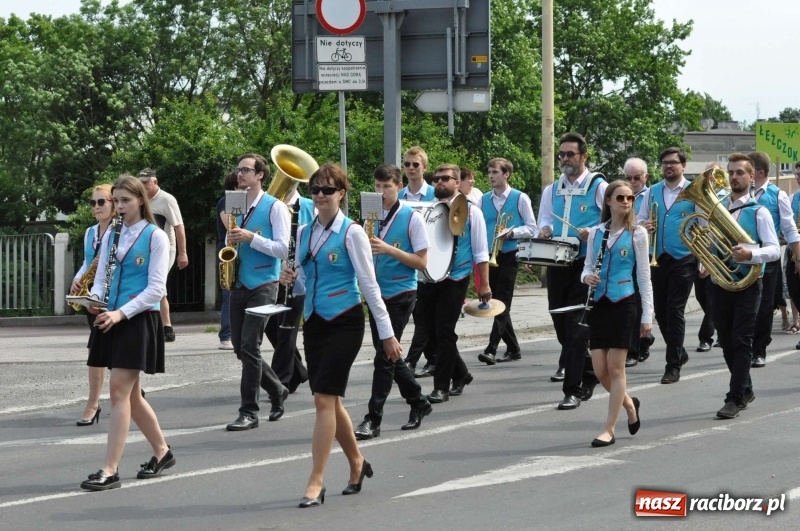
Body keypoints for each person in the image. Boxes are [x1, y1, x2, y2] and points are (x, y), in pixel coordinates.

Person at [280, 163, 402, 508]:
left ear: (341, 194)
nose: (320, 195)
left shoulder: (352, 232)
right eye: (316, 189)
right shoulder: (304, 231)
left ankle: (316, 480)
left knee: (323, 399)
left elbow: (370, 286)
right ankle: (357, 463)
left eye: (328, 190)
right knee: (330, 401)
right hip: (315, 320)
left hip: (345, 320)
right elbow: (305, 280)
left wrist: (387, 334)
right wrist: (290, 278)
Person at [80, 175, 173, 491]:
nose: (119, 207)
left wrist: (121, 312)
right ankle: (162, 451)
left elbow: (156, 289)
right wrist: (95, 298)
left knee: (119, 390)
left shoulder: (155, 236)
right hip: (111, 316)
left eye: (125, 201)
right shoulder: (112, 233)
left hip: (137, 318)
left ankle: (110, 469)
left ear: (140, 201)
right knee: (131, 394)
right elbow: (101, 277)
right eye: (116, 201)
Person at [353, 164, 433, 440]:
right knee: (390, 353)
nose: (381, 192)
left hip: (401, 292)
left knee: (384, 357)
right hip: (376, 294)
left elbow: (422, 262)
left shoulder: (412, 218)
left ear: (399, 187)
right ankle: (418, 401)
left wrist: (388, 250)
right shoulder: (370, 216)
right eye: (377, 186)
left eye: (386, 186)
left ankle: (373, 418)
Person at [538, 132, 607, 410]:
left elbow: (612, 221)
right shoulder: (551, 189)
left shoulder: (598, 186)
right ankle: (589, 369)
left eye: (570, 154)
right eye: (562, 154)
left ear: (584, 156)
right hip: (557, 264)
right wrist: (544, 229)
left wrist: (592, 230)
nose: (565, 159)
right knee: (560, 325)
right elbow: (544, 218)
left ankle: (573, 389)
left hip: (584, 264)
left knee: (576, 329)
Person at [582, 179, 653, 446]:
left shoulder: (637, 233)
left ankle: (609, 429)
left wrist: (647, 315)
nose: (626, 202)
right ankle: (630, 405)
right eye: (620, 197)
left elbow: (644, 276)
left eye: (630, 198)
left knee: (615, 368)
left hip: (624, 302)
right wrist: (586, 277)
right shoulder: (596, 232)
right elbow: (587, 266)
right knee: (600, 370)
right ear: (608, 201)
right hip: (600, 303)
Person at [707, 153, 779, 418]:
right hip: (721, 282)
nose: (734, 177)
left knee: (741, 340)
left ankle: (734, 398)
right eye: (731, 172)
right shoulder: (718, 208)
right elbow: (710, 241)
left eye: (740, 172)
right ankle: (746, 388)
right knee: (726, 341)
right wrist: (706, 259)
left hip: (749, 284)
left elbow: (774, 250)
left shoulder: (759, 211)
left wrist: (751, 254)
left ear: (751, 176)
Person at [225, 154, 290, 431]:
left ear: (260, 175)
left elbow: (283, 249)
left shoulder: (275, 207)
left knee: (250, 345)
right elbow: (231, 241)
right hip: (240, 282)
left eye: (245, 170)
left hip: (264, 283)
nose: (239, 174)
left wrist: (252, 237)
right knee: (240, 348)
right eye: (238, 169)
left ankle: (249, 411)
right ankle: (277, 389)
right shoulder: (236, 203)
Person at [415, 164, 491, 403]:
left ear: (457, 183)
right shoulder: (429, 208)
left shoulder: (472, 211)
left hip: (456, 277)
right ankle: (461, 374)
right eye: (436, 178)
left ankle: (441, 387)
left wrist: (484, 284)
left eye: (445, 178)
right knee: (430, 332)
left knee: (445, 332)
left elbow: (481, 251)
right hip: (429, 277)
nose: (439, 182)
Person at [636, 147, 696, 385]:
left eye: (673, 162)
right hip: (658, 257)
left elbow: (704, 224)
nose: (668, 166)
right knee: (660, 311)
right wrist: (644, 226)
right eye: (664, 163)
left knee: (674, 310)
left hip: (685, 257)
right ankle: (679, 351)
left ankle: (672, 365)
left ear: (683, 165)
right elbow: (639, 220)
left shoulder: (694, 190)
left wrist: (704, 260)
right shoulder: (652, 191)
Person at [476, 157, 538, 365]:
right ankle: (513, 348)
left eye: (495, 172)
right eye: (489, 172)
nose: (490, 176)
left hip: (510, 253)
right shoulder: (483, 199)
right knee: (497, 301)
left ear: (506, 174)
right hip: (489, 254)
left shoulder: (520, 198)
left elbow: (532, 227)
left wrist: (512, 233)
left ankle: (491, 348)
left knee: (502, 301)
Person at [746, 151, 800, 368]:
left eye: (746, 169)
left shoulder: (778, 195)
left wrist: (798, 257)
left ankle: (759, 350)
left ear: (758, 172)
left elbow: (790, 229)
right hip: (740, 259)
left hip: (767, 260)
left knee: (764, 306)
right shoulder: (737, 193)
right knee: (742, 306)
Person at [70, 184, 115, 426]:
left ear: (113, 204)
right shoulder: (90, 232)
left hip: (115, 295)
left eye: (101, 202)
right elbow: (87, 262)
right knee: (97, 348)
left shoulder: (120, 230)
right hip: (93, 297)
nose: (96, 207)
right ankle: (95, 402)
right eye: (93, 203)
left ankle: (128, 392)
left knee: (114, 348)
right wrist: (78, 279)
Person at [264, 184, 312, 393]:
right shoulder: (269, 205)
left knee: (286, 330)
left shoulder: (309, 206)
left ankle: (280, 383)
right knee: (271, 328)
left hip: (296, 277)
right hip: (270, 275)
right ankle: (299, 371)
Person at [137, 168, 188, 342]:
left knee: (157, 284)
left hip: (166, 248)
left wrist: (182, 253)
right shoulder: (138, 199)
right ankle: (159, 327)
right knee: (150, 285)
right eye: (140, 183)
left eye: (146, 183)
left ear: (155, 182)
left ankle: (165, 328)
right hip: (146, 249)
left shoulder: (167, 199)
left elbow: (179, 226)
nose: (143, 186)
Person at [401, 146, 436, 377]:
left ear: (424, 167)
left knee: (425, 316)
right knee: (421, 316)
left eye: (415, 164)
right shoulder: (399, 196)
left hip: (431, 263)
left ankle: (411, 360)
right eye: (407, 164)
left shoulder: (435, 194)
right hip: (407, 262)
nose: (411, 168)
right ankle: (435, 360)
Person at [623, 158, 655, 367]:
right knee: (630, 301)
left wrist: (647, 227)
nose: (633, 182)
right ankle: (637, 344)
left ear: (645, 177)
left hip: (648, 254)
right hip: (625, 255)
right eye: (628, 178)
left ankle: (641, 340)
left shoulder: (652, 195)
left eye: (637, 177)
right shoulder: (620, 195)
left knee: (642, 299)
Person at [215, 170, 239, 350]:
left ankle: (236, 334)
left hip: (240, 250)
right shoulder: (229, 200)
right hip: (228, 250)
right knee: (229, 294)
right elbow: (230, 226)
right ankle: (226, 335)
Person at [786, 161, 800, 346]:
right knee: (794, 290)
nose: (798, 177)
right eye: (797, 174)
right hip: (794, 251)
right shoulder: (792, 198)